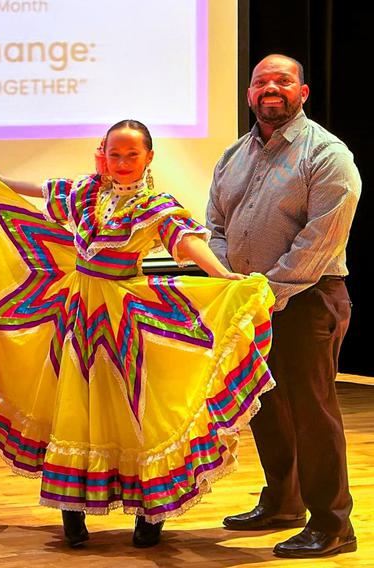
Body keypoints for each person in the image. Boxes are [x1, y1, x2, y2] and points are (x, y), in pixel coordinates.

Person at [0, 119, 275, 548]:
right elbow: (44, 190)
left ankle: (151, 514)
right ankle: (72, 511)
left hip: (125, 317)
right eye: (115, 154)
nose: (122, 162)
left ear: (149, 157)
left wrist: (224, 275)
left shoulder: (155, 205)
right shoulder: (86, 193)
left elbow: (185, 241)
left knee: (139, 413)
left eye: (132, 154)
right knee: (75, 408)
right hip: (76, 313)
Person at [207, 54, 360, 558]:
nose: (271, 88)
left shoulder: (327, 154)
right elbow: (215, 226)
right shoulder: (233, 154)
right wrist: (233, 283)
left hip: (307, 300)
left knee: (312, 412)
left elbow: (319, 241)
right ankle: (283, 503)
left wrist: (263, 293)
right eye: (261, 82)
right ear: (250, 93)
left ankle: (333, 524)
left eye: (283, 81)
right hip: (248, 300)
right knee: (265, 406)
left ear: (303, 91)